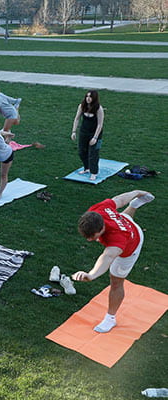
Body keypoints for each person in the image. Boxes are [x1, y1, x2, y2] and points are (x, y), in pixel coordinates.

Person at [72, 190, 155, 333]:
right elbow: (119, 199)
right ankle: (134, 205)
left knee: (116, 281)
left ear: (102, 227)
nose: (89, 239)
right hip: (124, 222)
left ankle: (110, 318)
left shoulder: (117, 239)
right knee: (123, 218)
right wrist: (137, 192)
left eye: (92, 236)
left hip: (132, 245)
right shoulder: (96, 211)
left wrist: (91, 275)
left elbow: (107, 257)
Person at [71, 90, 105, 181]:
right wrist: (74, 131)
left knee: (93, 153)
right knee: (82, 151)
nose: (88, 98)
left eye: (90, 97)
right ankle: (87, 168)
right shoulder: (82, 106)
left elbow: (100, 125)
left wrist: (95, 137)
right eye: (87, 96)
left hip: (95, 133)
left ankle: (94, 172)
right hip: (84, 132)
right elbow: (77, 119)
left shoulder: (98, 109)